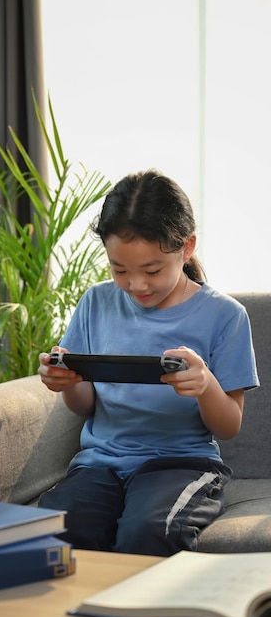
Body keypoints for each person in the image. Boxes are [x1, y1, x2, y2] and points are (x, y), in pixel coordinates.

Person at [38, 168, 259, 557]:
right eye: (119, 269)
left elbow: (228, 426)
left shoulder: (225, 316)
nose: (136, 285)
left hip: (183, 464)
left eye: (152, 270)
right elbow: (84, 405)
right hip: (99, 463)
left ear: (187, 247)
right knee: (58, 534)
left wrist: (206, 386)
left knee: (146, 534)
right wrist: (67, 379)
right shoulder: (96, 302)